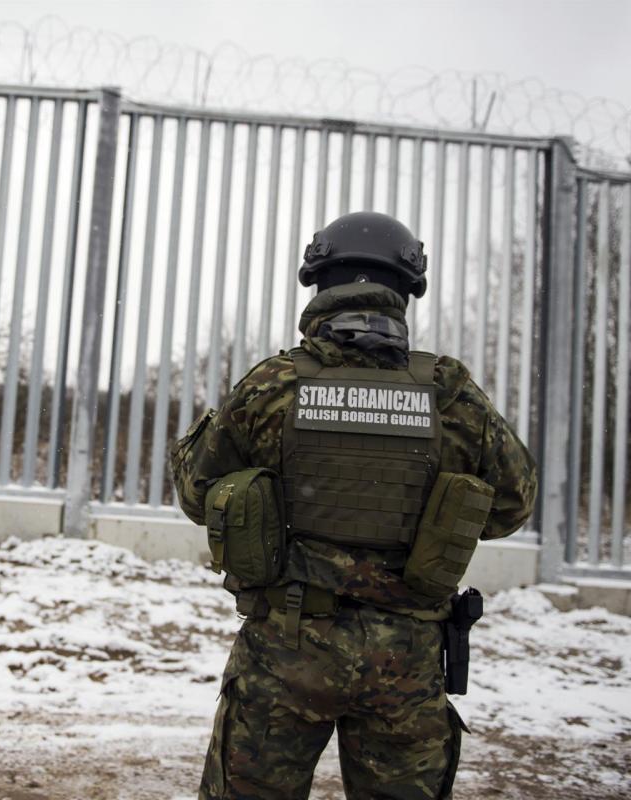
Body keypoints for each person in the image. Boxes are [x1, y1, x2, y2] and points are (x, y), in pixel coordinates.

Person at [170, 211, 538, 800]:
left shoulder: (275, 384)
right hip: (408, 659)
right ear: (405, 292)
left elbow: (197, 493)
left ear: (318, 284)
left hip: (285, 649)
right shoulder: (449, 393)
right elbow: (513, 506)